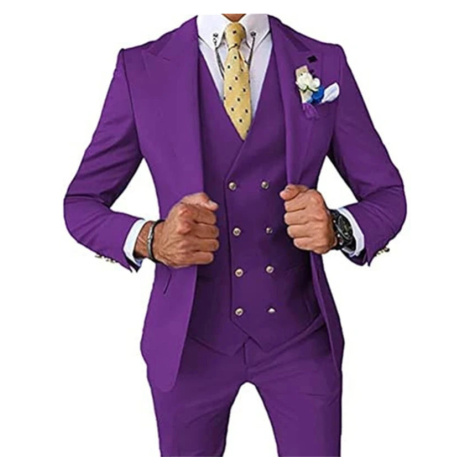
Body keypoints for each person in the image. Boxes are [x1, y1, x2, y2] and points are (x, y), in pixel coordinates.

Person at [63, 13, 406, 457]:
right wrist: (152, 238)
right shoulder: (140, 67)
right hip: (187, 343)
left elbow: (387, 195)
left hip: (301, 338)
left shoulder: (325, 62)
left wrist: (338, 228)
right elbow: (81, 203)